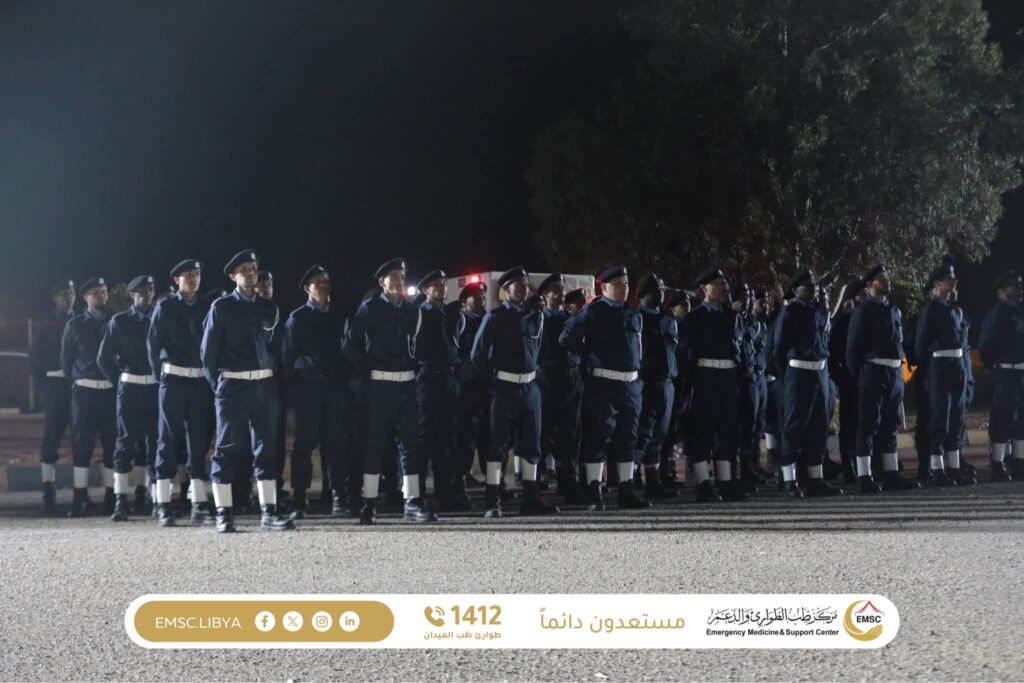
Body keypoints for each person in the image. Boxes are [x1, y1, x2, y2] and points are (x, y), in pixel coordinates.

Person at [201, 249, 295, 532]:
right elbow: (208, 354)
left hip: (264, 386)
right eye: (244, 270)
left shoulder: (269, 308)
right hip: (233, 384)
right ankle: (223, 513)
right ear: (233, 276)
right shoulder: (221, 307)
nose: (251, 274)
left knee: (267, 448)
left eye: (253, 269)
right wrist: (220, 387)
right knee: (227, 448)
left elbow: (278, 350)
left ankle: (269, 512)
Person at [343, 258, 436, 524]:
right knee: (374, 445)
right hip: (380, 386)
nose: (398, 281)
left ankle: (413, 503)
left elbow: (419, 346)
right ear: (381, 282)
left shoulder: (412, 310)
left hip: (406, 385)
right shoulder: (370, 308)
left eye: (402, 276)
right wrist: (366, 369)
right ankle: (369, 504)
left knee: (410, 446)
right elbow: (348, 344)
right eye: (392, 276)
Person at [560, 265, 650, 511]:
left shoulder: (633, 313)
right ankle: (594, 490)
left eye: (626, 284)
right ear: (605, 288)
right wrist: (588, 357)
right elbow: (567, 338)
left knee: (628, 437)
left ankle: (626, 490)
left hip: (630, 384)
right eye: (618, 285)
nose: (623, 289)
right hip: (603, 384)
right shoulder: (593, 312)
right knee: (597, 436)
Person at [472, 267, 559, 517]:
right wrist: (493, 379)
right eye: (517, 284)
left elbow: (540, 349)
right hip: (505, 387)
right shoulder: (496, 316)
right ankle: (493, 501)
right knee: (497, 445)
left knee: (532, 444)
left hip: (530, 388)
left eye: (524, 284)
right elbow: (478, 354)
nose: (522, 288)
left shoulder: (534, 315)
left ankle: (531, 499)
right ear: (505, 289)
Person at [281, 265, 356, 517]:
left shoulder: (341, 316)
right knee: (304, 444)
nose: (323, 284)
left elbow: (350, 352)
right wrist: (293, 393)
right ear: (307, 288)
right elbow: (287, 357)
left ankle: (337, 495)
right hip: (308, 387)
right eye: (318, 281)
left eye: (326, 280)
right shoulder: (297, 318)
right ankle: (299, 497)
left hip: (336, 387)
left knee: (336, 444)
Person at [148, 260, 215, 526]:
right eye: (188, 275)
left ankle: (199, 503)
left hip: (198, 382)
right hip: (173, 381)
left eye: (197, 274)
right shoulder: (165, 307)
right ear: (177, 280)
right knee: (167, 441)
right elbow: (153, 345)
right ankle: (163, 504)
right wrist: (160, 377)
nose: (194, 278)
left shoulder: (206, 306)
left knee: (198, 443)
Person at [846, 265, 918, 493]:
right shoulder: (863, 311)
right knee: (869, 424)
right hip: (874, 370)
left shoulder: (893, 310)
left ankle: (891, 473)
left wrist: (903, 373)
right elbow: (853, 350)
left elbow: (900, 344)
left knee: (890, 424)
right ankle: (864, 475)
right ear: (869, 286)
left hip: (894, 371)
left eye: (887, 278)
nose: (886, 282)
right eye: (881, 279)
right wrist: (861, 377)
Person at [772, 269, 842, 498]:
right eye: (807, 285)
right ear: (795, 290)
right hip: (799, 373)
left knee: (819, 428)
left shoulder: (820, 311)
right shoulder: (790, 312)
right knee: (794, 428)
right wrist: (787, 376)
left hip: (819, 373)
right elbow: (779, 350)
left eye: (813, 284)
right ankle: (789, 480)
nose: (812, 288)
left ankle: (815, 478)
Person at [677, 267, 745, 502]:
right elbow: (684, 353)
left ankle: (725, 481)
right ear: (703, 289)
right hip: (705, 377)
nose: (722, 287)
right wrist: (690, 381)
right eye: (716, 283)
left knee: (727, 430)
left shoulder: (732, 316)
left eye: (723, 282)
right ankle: (703, 482)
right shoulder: (694, 318)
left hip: (728, 377)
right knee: (703, 430)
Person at [97, 274, 160, 521]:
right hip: (130, 388)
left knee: (156, 443)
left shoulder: (160, 317)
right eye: (142, 291)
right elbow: (103, 358)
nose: (147, 294)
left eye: (150, 290)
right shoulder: (120, 321)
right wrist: (120, 381)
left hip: (155, 388)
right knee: (124, 444)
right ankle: (120, 501)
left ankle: (157, 499)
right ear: (132, 295)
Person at [413, 269, 470, 511]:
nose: (442, 287)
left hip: (449, 378)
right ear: (425, 290)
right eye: (436, 285)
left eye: (444, 284)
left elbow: (459, 346)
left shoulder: (452, 314)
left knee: (446, 440)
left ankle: (445, 494)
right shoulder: (418, 314)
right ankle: (417, 495)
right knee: (423, 439)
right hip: (427, 378)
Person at [61, 277, 116, 517]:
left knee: (112, 444)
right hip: (84, 392)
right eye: (95, 292)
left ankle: (112, 497)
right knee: (82, 445)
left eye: (103, 291)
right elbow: (66, 362)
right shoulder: (75, 325)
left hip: (111, 392)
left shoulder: (115, 322)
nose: (101, 295)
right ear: (85, 297)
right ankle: (79, 497)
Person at [914, 257, 972, 487]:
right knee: (939, 419)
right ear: (937, 284)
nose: (954, 283)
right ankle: (937, 469)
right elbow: (921, 345)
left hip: (957, 364)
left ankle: (954, 467)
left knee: (957, 418)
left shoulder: (955, 310)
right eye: (949, 279)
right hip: (939, 365)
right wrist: (926, 373)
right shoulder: (930, 309)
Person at [536, 273, 586, 504]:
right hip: (548, 380)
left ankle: (568, 484)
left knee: (570, 434)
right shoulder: (538, 318)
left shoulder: (571, 318)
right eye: (554, 290)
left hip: (571, 379)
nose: (559, 293)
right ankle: (534, 482)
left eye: (561, 289)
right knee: (544, 433)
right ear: (545, 295)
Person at [633, 273, 680, 500]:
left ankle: (653, 482)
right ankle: (631, 480)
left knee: (659, 434)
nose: (662, 293)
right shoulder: (637, 318)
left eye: (662, 289)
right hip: (647, 382)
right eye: (656, 289)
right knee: (642, 434)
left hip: (667, 381)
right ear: (644, 294)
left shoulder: (666, 318)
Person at [31, 280, 75, 513]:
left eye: (72, 293)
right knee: (52, 437)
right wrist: (44, 389)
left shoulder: (80, 321)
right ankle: (48, 488)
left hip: (77, 386)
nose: (69, 297)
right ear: (55, 298)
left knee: (81, 438)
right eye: (64, 294)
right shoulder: (45, 323)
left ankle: (81, 491)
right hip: (54, 385)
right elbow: (35, 360)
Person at [979, 270, 1024, 481]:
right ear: (1001, 291)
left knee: (1021, 418)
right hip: (1005, 371)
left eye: (1020, 285)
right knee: (1002, 417)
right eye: (1014, 285)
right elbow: (986, 344)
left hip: (1021, 371)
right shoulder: (997, 313)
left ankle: (1019, 461)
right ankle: (998, 463)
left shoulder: (1019, 312)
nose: (1019, 289)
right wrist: (992, 366)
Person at [733, 283, 770, 492]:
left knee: (757, 426)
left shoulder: (757, 323)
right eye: (744, 296)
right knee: (746, 427)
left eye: (749, 296)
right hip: (744, 377)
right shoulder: (737, 320)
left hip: (759, 375)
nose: (747, 300)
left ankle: (752, 466)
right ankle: (743, 470)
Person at [829, 278, 866, 483]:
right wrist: (842, 378)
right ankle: (848, 465)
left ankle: (866, 465)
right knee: (850, 424)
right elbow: (834, 356)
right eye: (861, 295)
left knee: (867, 423)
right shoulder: (843, 324)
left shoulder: (869, 318)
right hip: (850, 379)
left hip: (869, 378)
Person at [454, 281, 490, 492]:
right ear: (464, 301)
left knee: (489, 436)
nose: (481, 300)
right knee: (466, 436)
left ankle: (494, 480)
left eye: (483, 296)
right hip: (469, 387)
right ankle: (461, 477)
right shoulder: (462, 321)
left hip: (488, 386)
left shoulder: (490, 319)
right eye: (476, 297)